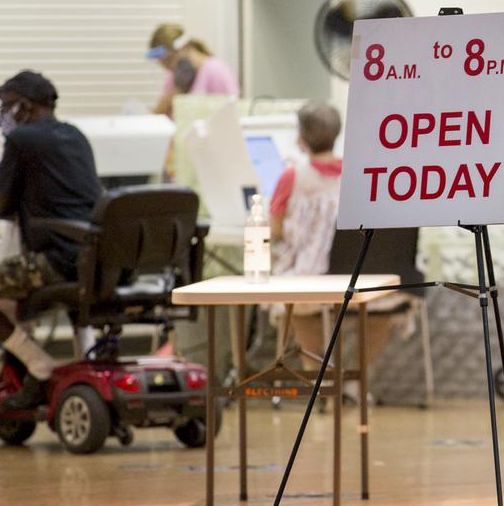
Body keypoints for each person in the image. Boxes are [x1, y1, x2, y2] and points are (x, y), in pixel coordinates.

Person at [268, 102, 406, 391]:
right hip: (364, 275)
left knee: (296, 297)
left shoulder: (292, 177)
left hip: (311, 278)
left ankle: (319, 374)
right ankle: (357, 377)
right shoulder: (364, 174)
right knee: (387, 300)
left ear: (300, 139)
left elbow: (276, 230)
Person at [0, 71, 102, 408]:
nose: (2, 115)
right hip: (93, 258)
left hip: (56, 261)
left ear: (24, 106)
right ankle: (83, 356)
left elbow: (1, 205)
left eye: (7, 106)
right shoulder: (76, 135)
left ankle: (37, 364)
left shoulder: (21, 140)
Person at [146, 24, 239, 116]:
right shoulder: (175, 75)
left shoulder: (216, 71)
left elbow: (231, 113)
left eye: (169, 60)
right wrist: (177, 90)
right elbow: (158, 115)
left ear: (185, 46)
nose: (168, 68)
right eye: (162, 63)